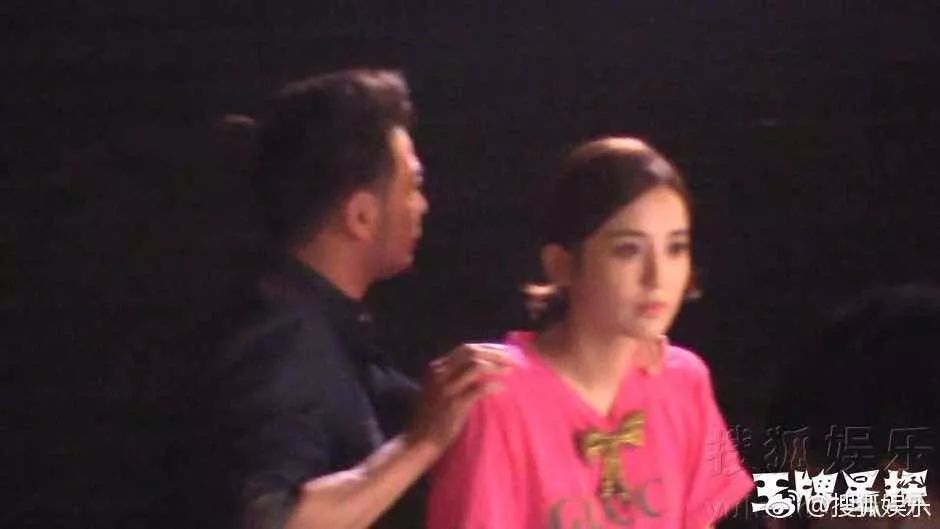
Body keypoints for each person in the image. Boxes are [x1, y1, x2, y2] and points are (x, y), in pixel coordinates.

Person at [204, 69, 512, 529]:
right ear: (361, 216)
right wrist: (419, 443)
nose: (423, 205)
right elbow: (270, 519)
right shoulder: (282, 340)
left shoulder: (325, 331)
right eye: (414, 185)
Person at [427, 137, 754, 528]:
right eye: (628, 250)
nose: (657, 277)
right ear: (561, 265)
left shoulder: (683, 380)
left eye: (675, 249)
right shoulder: (497, 396)